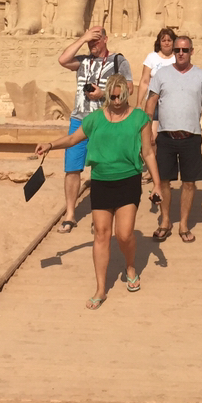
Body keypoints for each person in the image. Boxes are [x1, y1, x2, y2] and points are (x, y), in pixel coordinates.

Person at [36, 74, 160, 309]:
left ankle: (130, 266)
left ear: (127, 94)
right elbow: (73, 139)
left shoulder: (139, 118)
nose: (116, 101)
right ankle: (101, 289)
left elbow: (148, 153)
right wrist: (50, 145)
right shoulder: (94, 119)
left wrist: (157, 183)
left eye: (120, 97)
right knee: (102, 234)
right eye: (112, 97)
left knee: (124, 234)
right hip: (101, 181)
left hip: (128, 180)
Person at [56, 26, 132, 232]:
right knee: (72, 168)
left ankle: (100, 213)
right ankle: (70, 214)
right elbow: (63, 60)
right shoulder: (82, 61)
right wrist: (83, 38)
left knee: (101, 169)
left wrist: (103, 94)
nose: (92, 45)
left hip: (104, 120)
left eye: (96, 40)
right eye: (91, 41)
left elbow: (129, 89)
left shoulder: (118, 61)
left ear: (105, 39)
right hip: (79, 119)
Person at [144, 36, 202, 243]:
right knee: (163, 180)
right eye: (177, 50)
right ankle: (165, 221)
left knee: (189, 182)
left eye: (185, 50)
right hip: (166, 136)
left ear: (191, 51)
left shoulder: (201, 75)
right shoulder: (162, 74)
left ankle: (184, 224)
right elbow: (150, 103)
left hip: (190, 136)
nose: (181, 53)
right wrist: (147, 129)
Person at [136, 27, 177, 109]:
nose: (166, 43)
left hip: (173, 102)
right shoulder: (151, 57)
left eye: (169, 40)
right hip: (153, 103)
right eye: (163, 41)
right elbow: (145, 81)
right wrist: (139, 103)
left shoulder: (177, 58)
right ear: (159, 42)